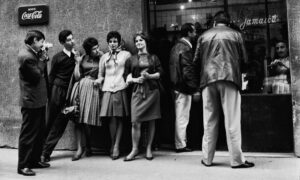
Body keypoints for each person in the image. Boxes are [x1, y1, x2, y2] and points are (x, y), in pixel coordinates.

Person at [193, 11, 255, 168]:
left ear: (214, 22)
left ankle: (207, 158)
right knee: (232, 120)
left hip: (207, 79)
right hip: (229, 77)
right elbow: (245, 60)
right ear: (228, 22)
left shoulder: (203, 36)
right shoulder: (236, 35)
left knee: (209, 120)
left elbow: (195, 60)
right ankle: (236, 160)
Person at [123, 32, 163, 161]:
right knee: (135, 122)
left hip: (152, 91)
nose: (138, 43)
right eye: (136, 41)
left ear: (146, 42)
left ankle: (149, 148)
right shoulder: (131, 59)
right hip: (137, 91)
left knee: (151, 120)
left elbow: (160, 73)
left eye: (141, 40)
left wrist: (149, 76)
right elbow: (126, 76)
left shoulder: (154, 58)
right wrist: (135, 80)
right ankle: (135, 149)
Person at [17, 30, 50, 176]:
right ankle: (23, 165)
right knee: (28, 134)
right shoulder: (26, 57)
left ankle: (34, 160)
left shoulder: (32, 53)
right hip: (31, 101)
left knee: (38, 133)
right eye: (41, 41)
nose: (43, 44)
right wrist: (42, 59)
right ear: (35, 40)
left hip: (38, 100)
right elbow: (36, 76)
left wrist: (42, 56)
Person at [41, 30, 77, 162]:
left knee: (60, 124)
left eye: (72, 39)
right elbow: (51, 77)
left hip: (70, 94)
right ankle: (41, 152)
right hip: (57, 91)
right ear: (62, 42)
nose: (72, 41)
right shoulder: (57, 57)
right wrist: (49, 96)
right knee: (50, 121)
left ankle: (45, 152)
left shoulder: (77, 56)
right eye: (68, 40)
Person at [95, 31, 131, 160]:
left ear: (119, 42)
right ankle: (112, 143)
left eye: (115, 41)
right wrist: (99, 82)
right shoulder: (104, 57)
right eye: (110, 41)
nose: (113, 44)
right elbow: (101, 74)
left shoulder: (126, 55)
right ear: (108, 43)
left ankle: (116, 146)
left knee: (119, 117)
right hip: (107, 89)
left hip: (121, 87)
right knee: (111, 118)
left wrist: (128, 82)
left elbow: (129, 71)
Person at [71, 37, 103, 161]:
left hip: (94, 89)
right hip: (80, 88)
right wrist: (77, 62)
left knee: (88, 120)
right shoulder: (83, 58)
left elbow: (104, 72)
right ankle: (79, 149)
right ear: (88, 50)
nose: (97, 50)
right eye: (94, 48)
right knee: (78, 119)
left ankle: (88, 145)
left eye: (97, 47)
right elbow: (77, 77)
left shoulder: (101, 57)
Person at [169, 23, 198, 153]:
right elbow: (187, 71)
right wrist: (194, 88)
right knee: (182, 117)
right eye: (194, 31)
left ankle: (181, 143)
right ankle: (181, 144)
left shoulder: (176, 46)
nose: (196, 33)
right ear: (189, 33)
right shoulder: (186, 48)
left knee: (180, 116)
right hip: (183, 87)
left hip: (176, 86)